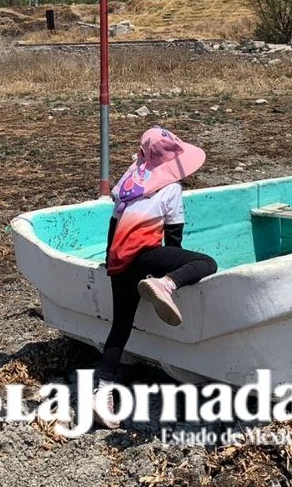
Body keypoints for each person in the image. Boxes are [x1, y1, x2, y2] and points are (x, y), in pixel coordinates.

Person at [93, 126, 217, 428]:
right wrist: (169, 272)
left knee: (120, 326)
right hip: (146, 257)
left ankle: (103, 388)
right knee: (206, 262)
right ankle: (166, 284)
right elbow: (174, 237)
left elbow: (113, 227)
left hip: (119, 261)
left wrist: (110, 262)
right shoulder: (170, 187)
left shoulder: (129, 182)